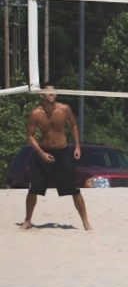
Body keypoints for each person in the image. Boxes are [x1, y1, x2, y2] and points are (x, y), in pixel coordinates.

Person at [21, 82, 92, 231]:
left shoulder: (64, 109)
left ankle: (85, 222)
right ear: (42, 95)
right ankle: (27, 220)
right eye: (48, 92)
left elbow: (73, 125)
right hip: (44, 152)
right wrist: (41, 153)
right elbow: (30, 136)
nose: (51, 94)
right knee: (33, 189)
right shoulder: (36, 114)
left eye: (54, 92)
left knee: (74, 189)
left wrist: (77, 146)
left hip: (63, 152)